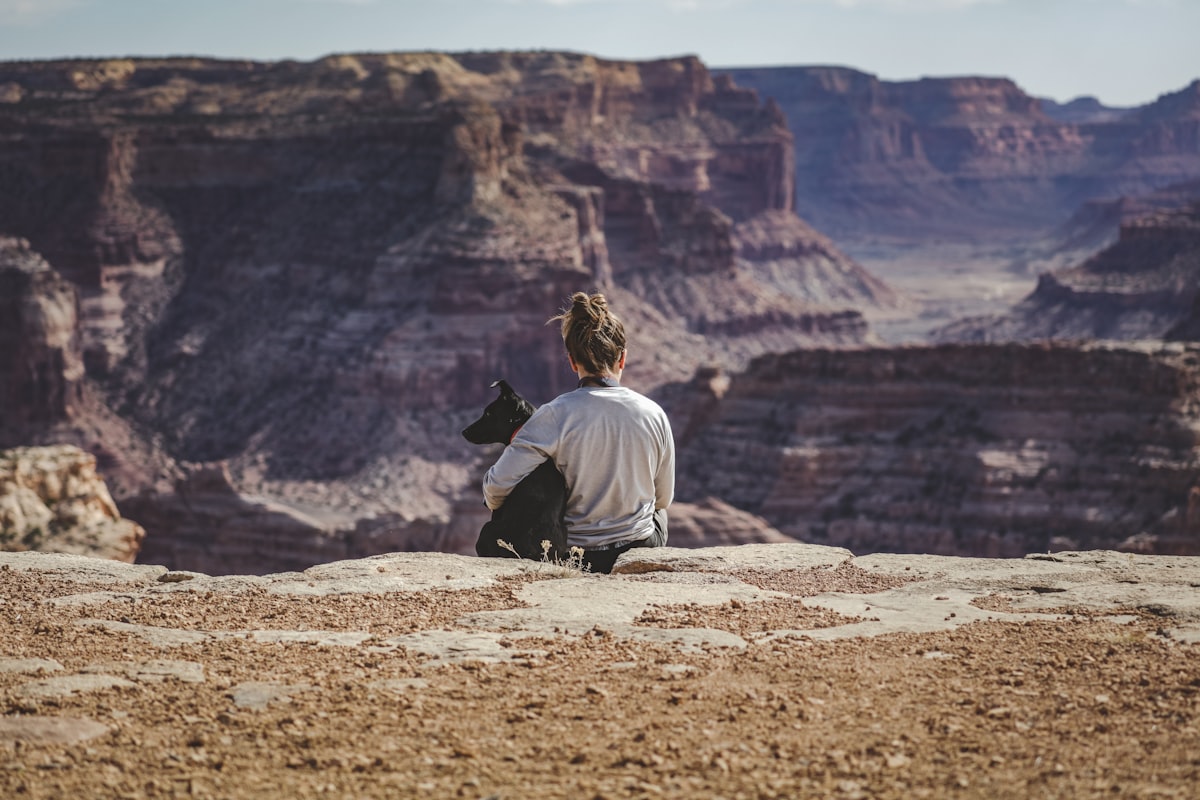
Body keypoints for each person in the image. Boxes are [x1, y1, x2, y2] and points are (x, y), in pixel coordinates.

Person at [483, 292, 675, 573]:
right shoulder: (653, 413)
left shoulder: (554, 415)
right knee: (659, 513)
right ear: (622, 359)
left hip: (579, 555)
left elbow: (495, 488)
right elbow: (663, 499)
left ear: (572, 361)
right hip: (640, 547)